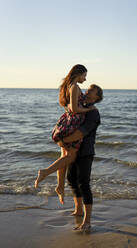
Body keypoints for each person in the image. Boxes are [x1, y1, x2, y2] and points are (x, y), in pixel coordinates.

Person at [34, 64, 95, 204]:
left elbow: (68, 106)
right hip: (73, 124)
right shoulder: (74, 87)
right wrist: (89, 109)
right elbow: (74, 108)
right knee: (70, 156)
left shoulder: (67, 86)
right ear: (79, 74)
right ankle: (45, 172)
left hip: (66, 122)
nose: (85, 79)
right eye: (84, 75)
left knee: (64, 157)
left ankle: (60, 187)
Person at [58, 84, 103, 232]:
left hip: (85, 152)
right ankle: (78, 210)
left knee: (84, 184)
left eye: (91, 90)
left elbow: (81, 133)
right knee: (71, 179)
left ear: (96, 97)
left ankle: (87, 221)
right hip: (74, 151)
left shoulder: (93, 113)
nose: (88, 90)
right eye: (88, 88)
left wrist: (63, 141)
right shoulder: (81, 106)